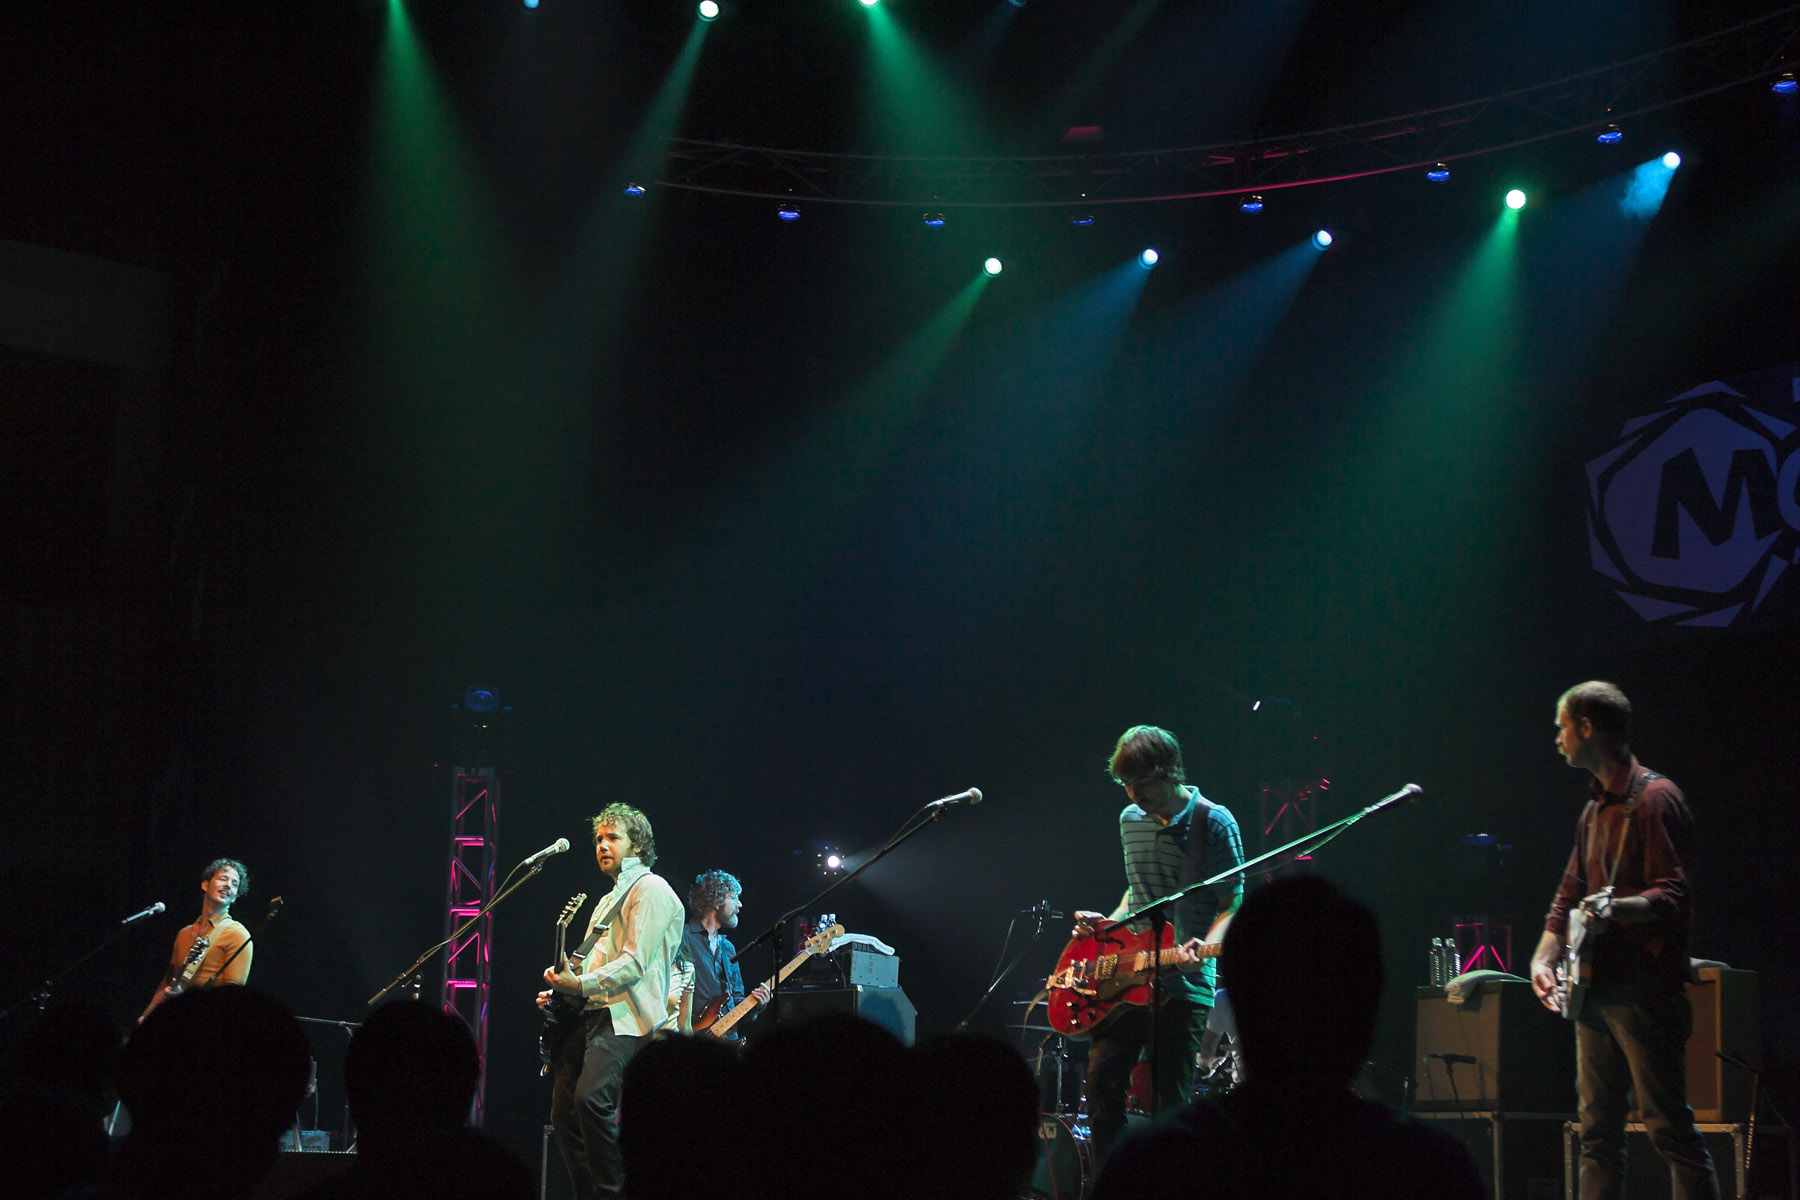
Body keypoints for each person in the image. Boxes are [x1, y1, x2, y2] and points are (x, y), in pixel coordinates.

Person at [1090, 875, 1484, 1200]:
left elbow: (1205, 1060)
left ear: (1238, 999)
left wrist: (1206, 1065)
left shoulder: (1152, 1163)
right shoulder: (1432, 1168)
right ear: (1369, 1007)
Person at [1529, 681, 1719, 1200]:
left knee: (1669, 1130)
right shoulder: (1592, 810)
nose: (1557, 738)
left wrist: (1616, 907)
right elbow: (1567, 895)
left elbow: (1672, 895)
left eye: (1562, 727)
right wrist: (1543, 960)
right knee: (1596, 1136)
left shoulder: (1656, 799)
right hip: (1594, 993)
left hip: (1645, 992)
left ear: (1587, 728)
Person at [1071, 725, 1245, 1165]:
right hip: (1128, 975)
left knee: (1169, 1109)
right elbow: (1137, 892)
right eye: (1125, 784)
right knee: (1101, 1087)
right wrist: (1108, 924)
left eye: (1142, 783)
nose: (1133, 794)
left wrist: (1205, 947)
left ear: (1169, 772)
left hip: (1184, 985)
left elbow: (1232, 903)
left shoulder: (1214, 822)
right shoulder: (1130, 820)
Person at [541, 804, 684, 1200]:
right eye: (599, 839)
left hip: (626, 1016)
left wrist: (579, 983)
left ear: (637, 845)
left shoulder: (652, 889)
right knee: (564, 1114)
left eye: (612, 838)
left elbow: (634, 962)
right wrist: (562, 987)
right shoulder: (608, 900)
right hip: (591, 1012)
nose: (602, 846)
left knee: (591, 1099)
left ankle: (614, 1191)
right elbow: (592, 961)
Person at [140, 857, 252, 1022]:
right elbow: (167, 983)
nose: (228, 885)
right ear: (205, 885)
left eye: (235, 884)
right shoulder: (184, 934)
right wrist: (147, 1016)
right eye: (223, 879)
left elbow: (232, 997)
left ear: (235, 897)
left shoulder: (238, 934)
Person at [674, 870, 770, 1038]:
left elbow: (737, 1001)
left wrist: (756, 1006)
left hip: (728, 1041)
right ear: (715, 900)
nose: (740, 905)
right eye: (733, 898)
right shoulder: (682, 938)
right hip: (692, 1040)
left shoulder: (728, 948)